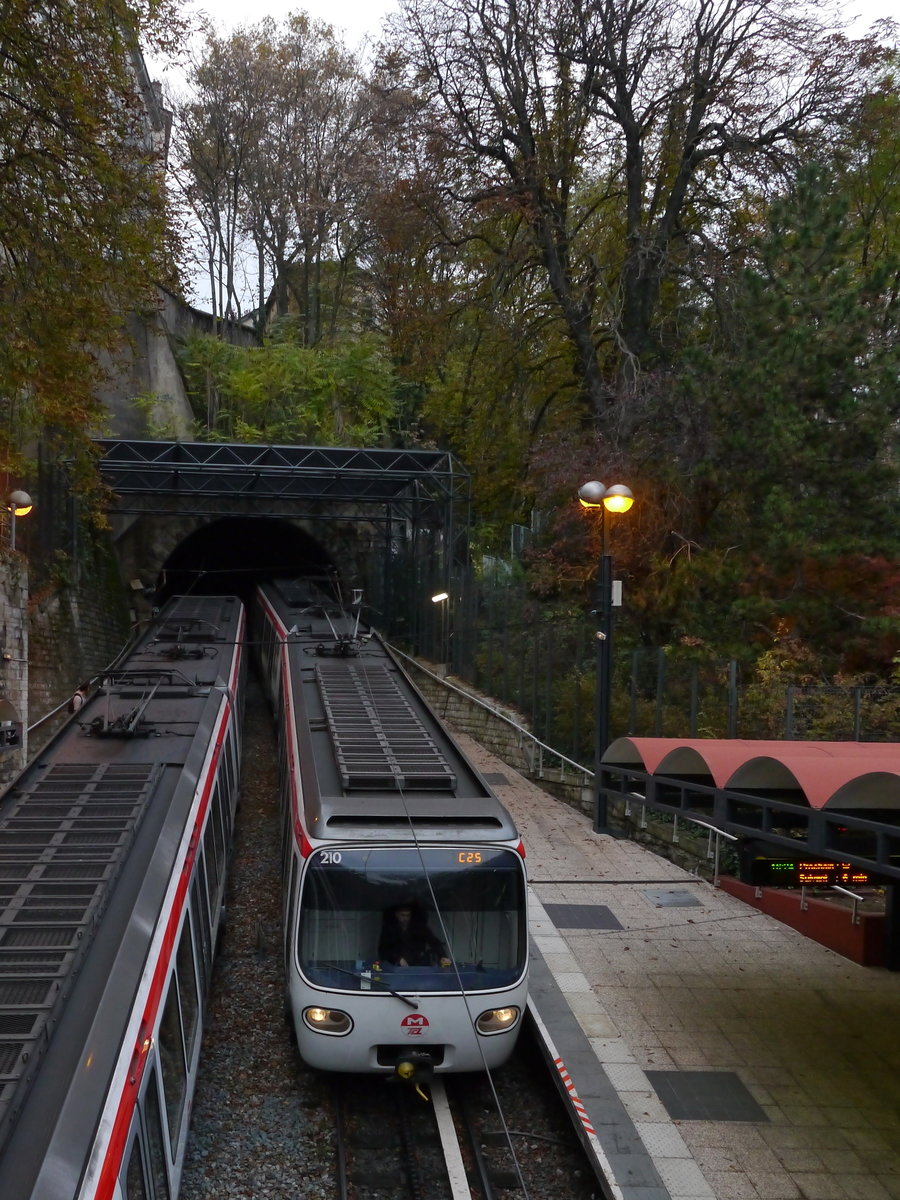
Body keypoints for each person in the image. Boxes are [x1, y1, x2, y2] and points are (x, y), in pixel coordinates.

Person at [378, 900, 450, 968]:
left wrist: (443, 956)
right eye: (402, 915)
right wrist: (398, 958)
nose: (405, 918)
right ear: (396, 915)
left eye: (408, 915)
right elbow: (383, 949)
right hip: (395, 967)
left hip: (417, 965)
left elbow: (434, 941)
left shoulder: (418, 928)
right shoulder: (389, 929)